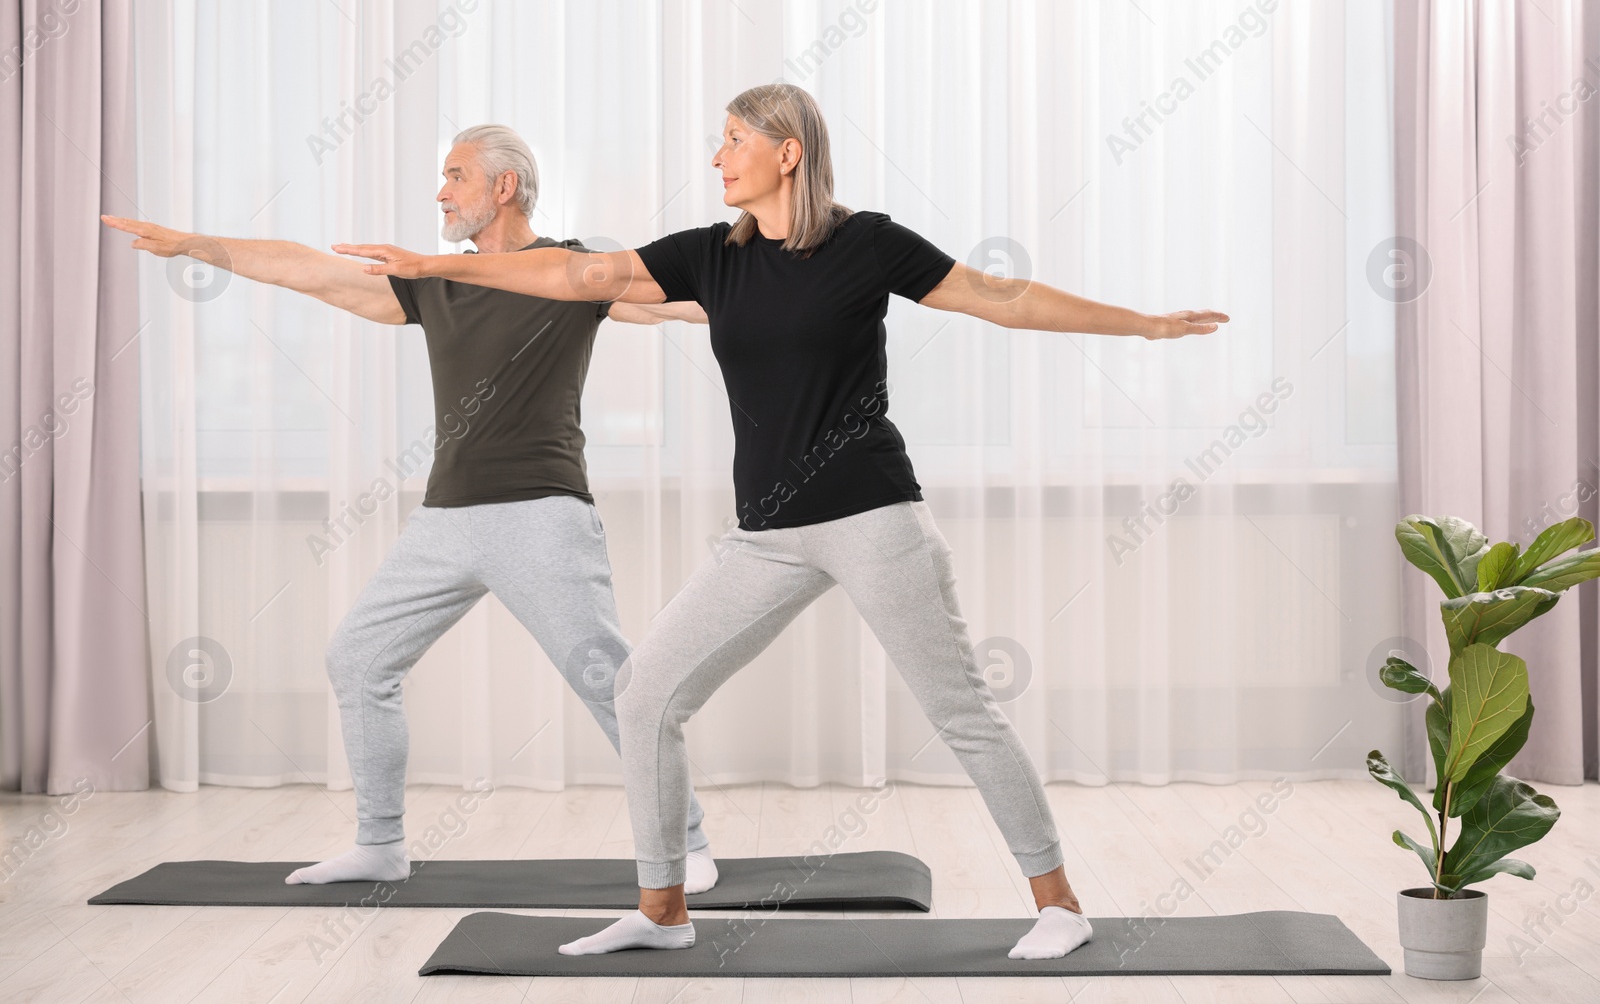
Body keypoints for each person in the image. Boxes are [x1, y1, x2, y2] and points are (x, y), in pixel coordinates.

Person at [333, 85, 1228, 959]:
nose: (715, 156)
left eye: (732, 139)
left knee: (960, 710)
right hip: (762, 535)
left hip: (873, 516)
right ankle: (663, 907)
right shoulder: (712, 256)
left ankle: (1059, 902)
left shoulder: (867, 244)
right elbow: (580, 272)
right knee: (645, 692)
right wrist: (439, 263)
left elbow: (1001, 296)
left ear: (786, 152)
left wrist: (1143, 328)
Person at [101, 124, 723, 892]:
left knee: (611, 682)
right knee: (359, 657)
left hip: (542, 516)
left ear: (503, 186)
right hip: (445, 518)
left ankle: (687, 841)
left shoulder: (569, 273)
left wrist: (785, 292)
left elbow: (685, 304)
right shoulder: (436, 281)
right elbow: (310, 271)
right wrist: (196, 243)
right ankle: (380, 843)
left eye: (455, 176)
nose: (441, 192)